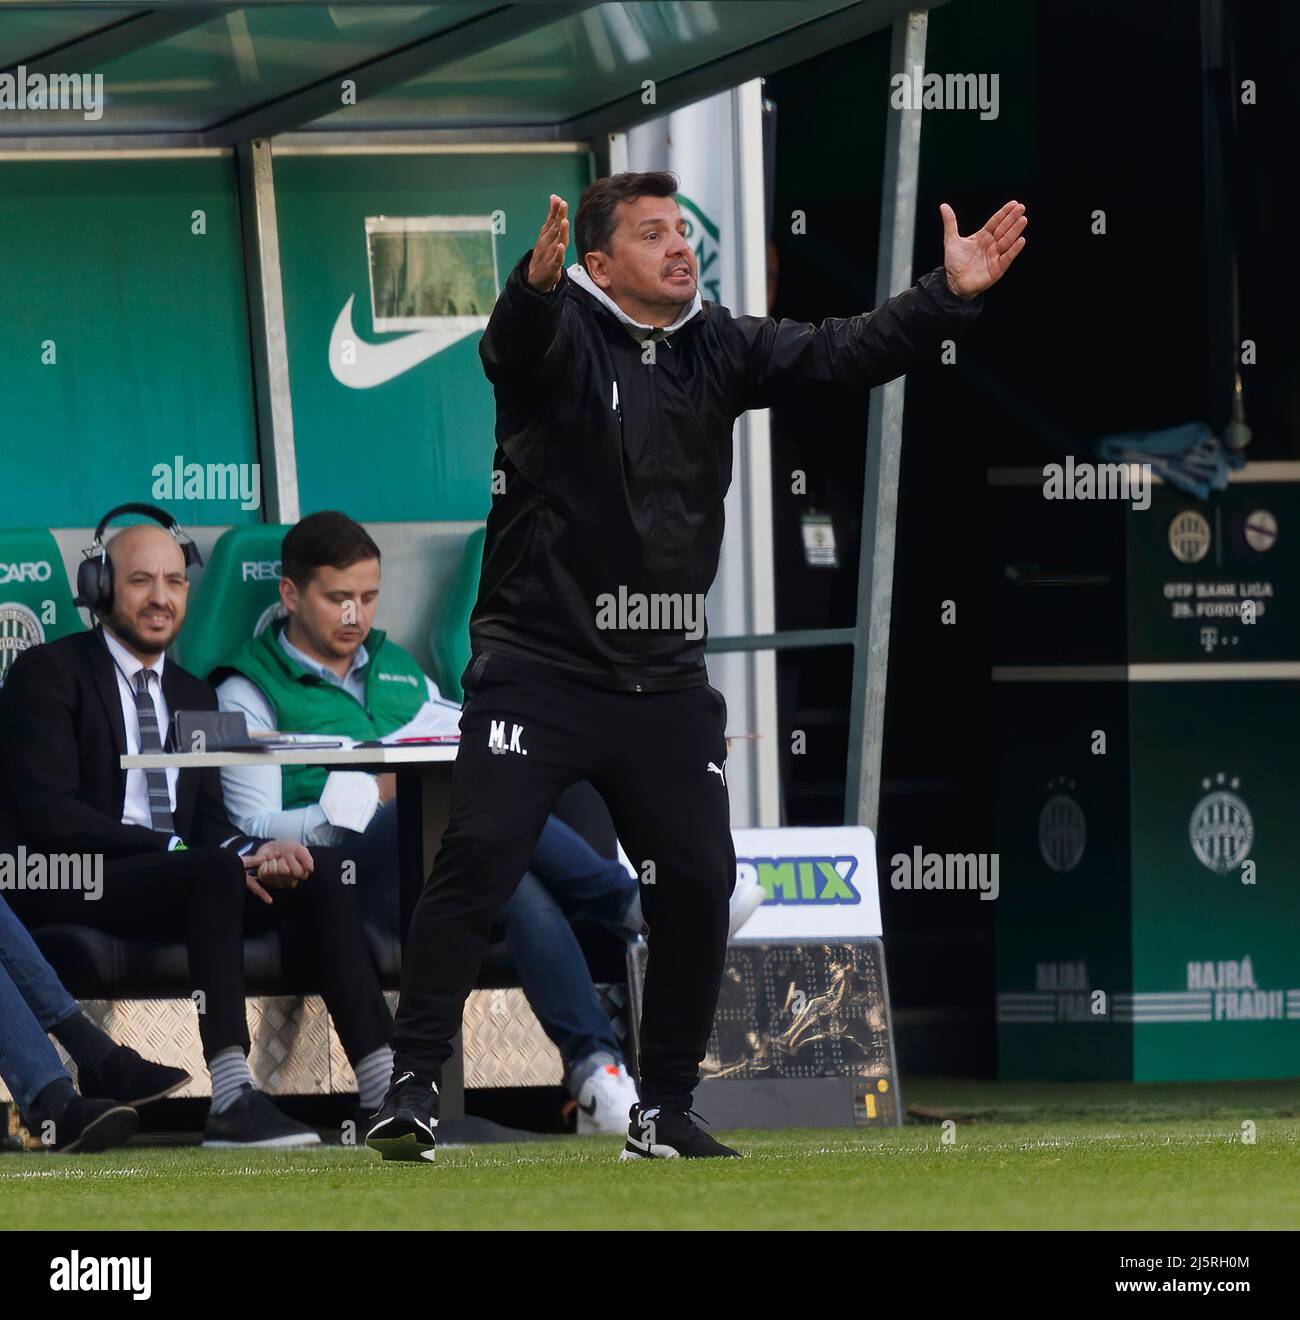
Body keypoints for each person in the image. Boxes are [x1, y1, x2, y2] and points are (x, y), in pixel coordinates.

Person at [367, 173, 1026, 1163]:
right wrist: (531, 289)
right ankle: (410, 1089)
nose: (680, 248)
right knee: (480, 858)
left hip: (664, 679)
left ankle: (664, 1108)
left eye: (682, 231)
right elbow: (508, 346)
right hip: (536, 669)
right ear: (598, 265)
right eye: (651, 235)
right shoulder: (556, 338)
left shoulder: (717, 341)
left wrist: (948, 293)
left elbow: (843, 352)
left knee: (701, 881)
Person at [211, 511, 644, 1132]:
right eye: (338, 599)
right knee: (481, 837)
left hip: (446, 863)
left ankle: (598, 1074)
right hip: (349, 875)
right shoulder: (245, 688)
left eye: (367, 597)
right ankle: (627, 902)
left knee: (507, 873)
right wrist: (374, 797)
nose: (356, 617)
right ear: (290, 594)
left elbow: (458, 738)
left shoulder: (395, 667)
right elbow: (250, 820)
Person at [0, 508, 396, 1148]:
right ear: (100, 588)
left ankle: (385, 1091)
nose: (161, 597)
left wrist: (259, 850)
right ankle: (234, 1096)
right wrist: (185, 850)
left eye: (175, 582)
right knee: (209, 866)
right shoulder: (47, 674)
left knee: (310, 870)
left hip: (180, 880)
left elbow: (211, 826)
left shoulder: (195, 695)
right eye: (140, 581)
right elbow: (51, 816)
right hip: (77, 881)